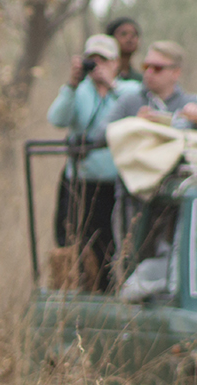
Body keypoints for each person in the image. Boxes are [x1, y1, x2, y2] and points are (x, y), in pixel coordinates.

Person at [47, 34, 131, 293]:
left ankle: (107, 294)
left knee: (108, 245)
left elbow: (137, 108)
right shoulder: (78, 92)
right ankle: (71, 294)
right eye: (92, 60)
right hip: (78, 182)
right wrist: (72, 84)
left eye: (103, 60)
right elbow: (57, 118)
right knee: (70, 243)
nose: (98, 66)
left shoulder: (127, 91)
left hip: (113, 186)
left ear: (116, 62)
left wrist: (112, 85)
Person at [101, 42, 197, 132]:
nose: (149, 72)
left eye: (157, 68)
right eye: (146, 66)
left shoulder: (189, 102)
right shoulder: (130, 101)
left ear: (176, 73)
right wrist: (134, 124)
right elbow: (99, 134)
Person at [105, 17, 143, 83]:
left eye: (134, 35)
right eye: (123, 34)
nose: (129, 38)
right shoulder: (100, 75)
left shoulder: (140, 80)